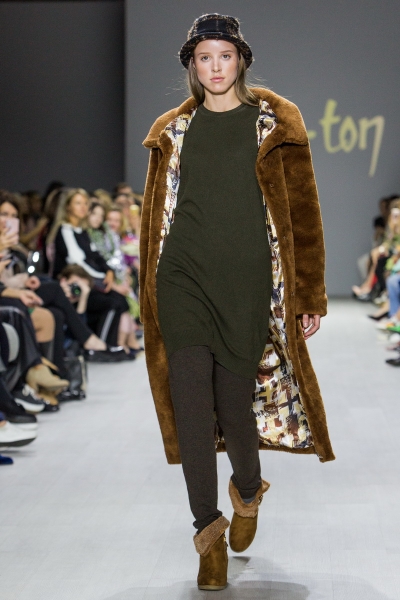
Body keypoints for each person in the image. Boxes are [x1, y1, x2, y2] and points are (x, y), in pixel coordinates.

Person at [140, 13, 334, 591]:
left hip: (247, 281)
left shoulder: (275, 124)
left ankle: (248, 490)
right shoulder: (173, 130)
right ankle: (208, 536)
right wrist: (148, 288)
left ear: (241, 60)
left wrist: (308, 292)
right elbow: (154, 217)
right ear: (192, 66)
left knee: (234, 408)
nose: (216, 66)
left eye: (225, 55)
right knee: (192, 409)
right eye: (205, 57)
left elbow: (304, 213)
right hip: (181, 277)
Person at [49, 188, 130, 352]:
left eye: (85, 203)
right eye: (78, 203)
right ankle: (101, 348)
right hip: (73, 286)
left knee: (120, 301)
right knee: (113, 303)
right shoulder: (65, 231)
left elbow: (96, 256)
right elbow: (77, 262)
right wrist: (103, 280)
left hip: (89, 281)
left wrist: (109, 272)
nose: (83, 207)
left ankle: (111, 345)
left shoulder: (82, 232)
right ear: (68, 206)